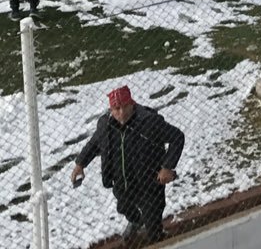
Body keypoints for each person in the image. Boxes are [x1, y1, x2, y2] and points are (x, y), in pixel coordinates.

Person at [71, 86, 185, 246]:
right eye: (116, 109)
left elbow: (177, 137)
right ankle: (136, 222)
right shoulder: (106, 125)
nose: (121, 113)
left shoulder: (149, 122)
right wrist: (80, 163)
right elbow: (94, 144)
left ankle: (156, 237)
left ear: (132, 104)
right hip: (122, 182)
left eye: (125, 106)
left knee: (153, 224)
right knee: (124, 207)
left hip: (150, 183)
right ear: (111, 109)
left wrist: (167, 167)